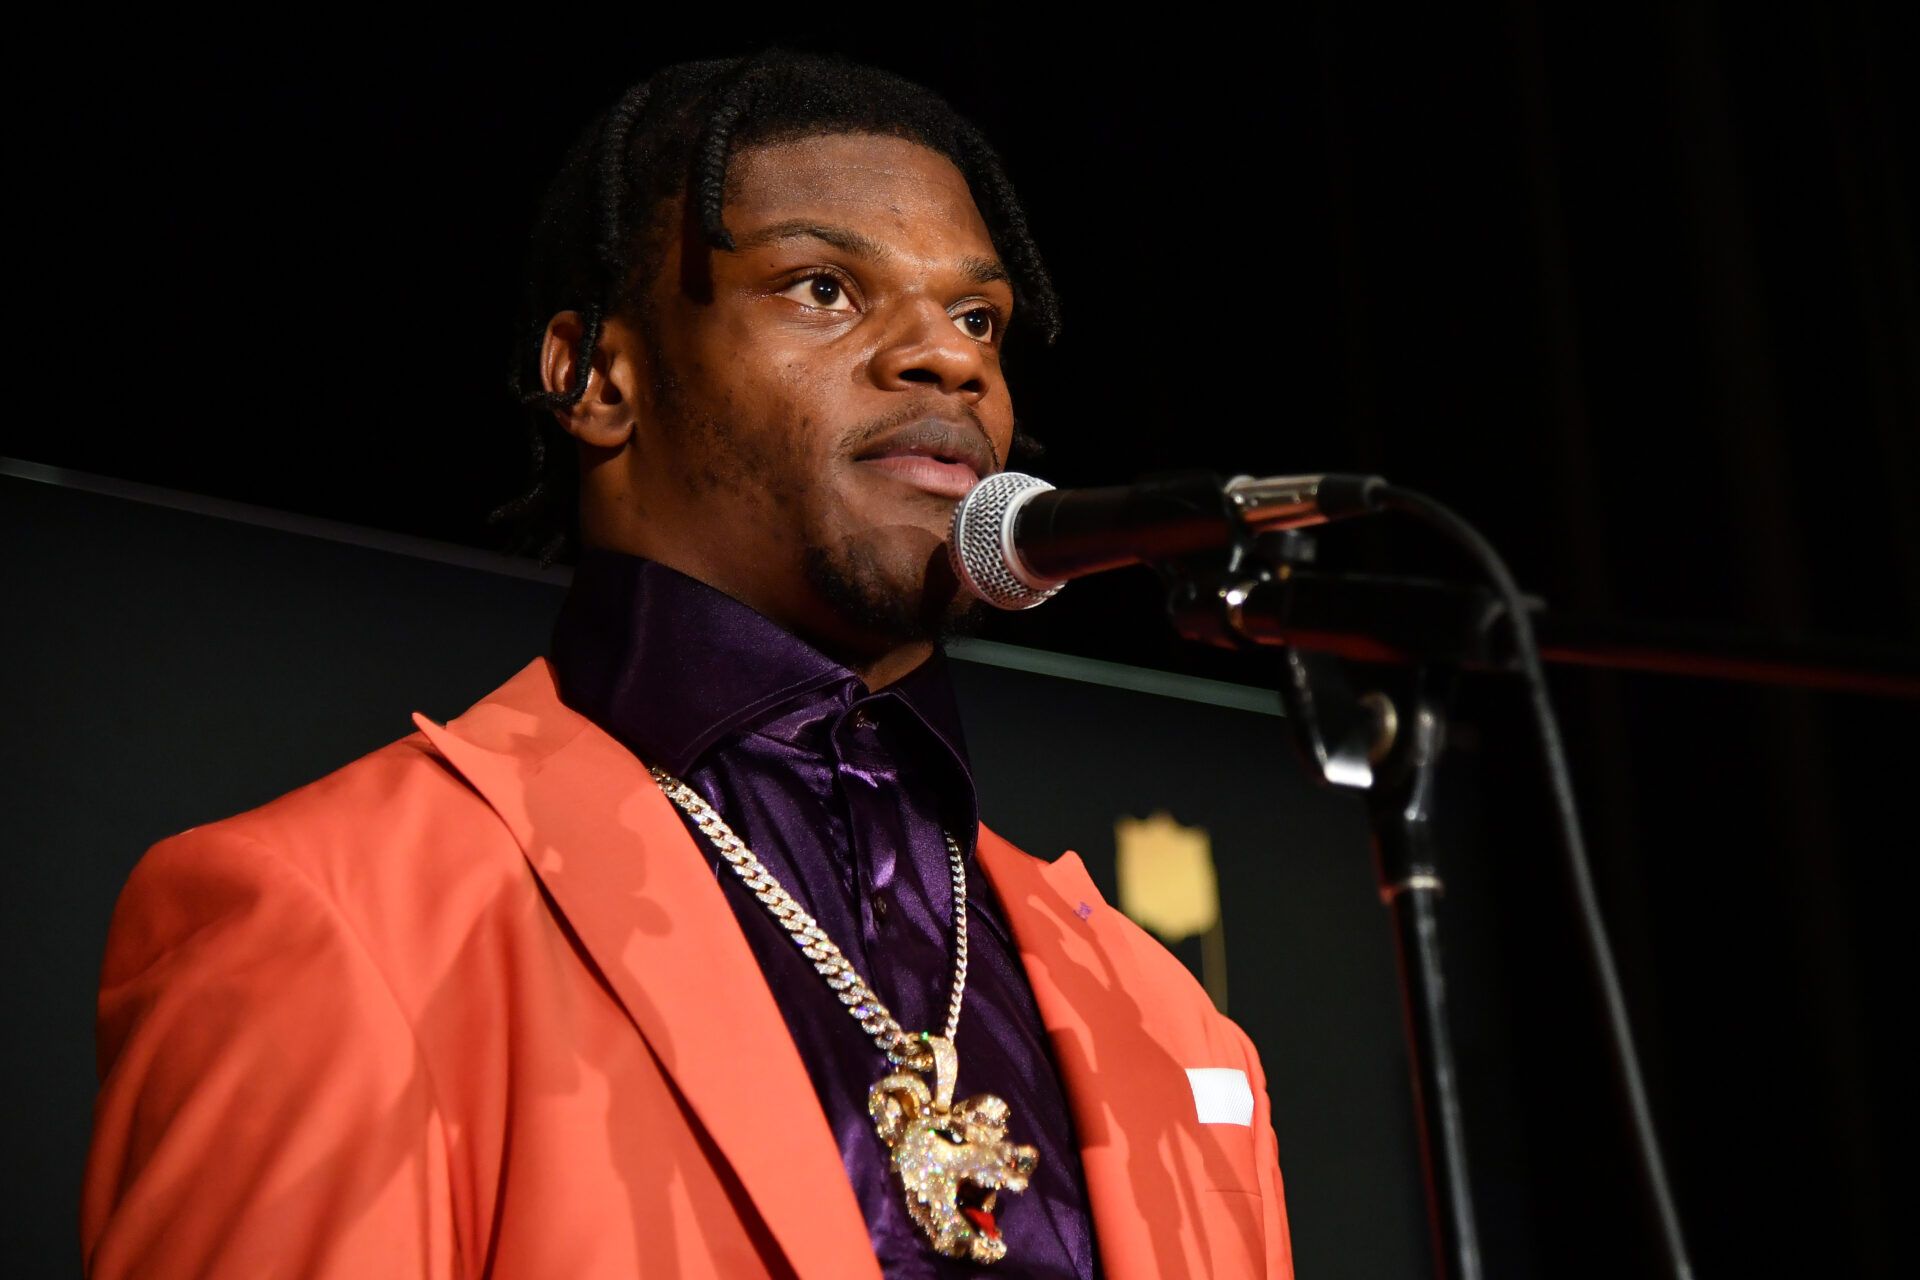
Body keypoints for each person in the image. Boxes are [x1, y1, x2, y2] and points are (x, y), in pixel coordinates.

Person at [80, 51, 1294, 1278]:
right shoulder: (337, 914)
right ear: (597, 377)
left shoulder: (1166, 1020)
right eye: (824, 287)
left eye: (977, 317)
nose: (948, 360)